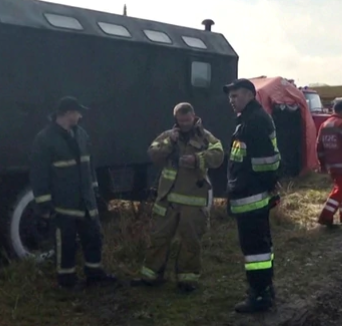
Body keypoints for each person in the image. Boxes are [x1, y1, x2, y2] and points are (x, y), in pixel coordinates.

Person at [131, 102, 224, 292]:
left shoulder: (206, 137)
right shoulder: (168, 136)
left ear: (194, 117)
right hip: (167, 199)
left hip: (193, 200)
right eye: (181, 121)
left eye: (187, 120)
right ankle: (151, 276)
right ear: (176, 120)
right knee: (158, 237)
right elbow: (153, 154)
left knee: (191, 240)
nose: (184, 124)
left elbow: (219, 154)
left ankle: (187, 280)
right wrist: (169, 143)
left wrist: (197, 159)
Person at [29, 96, 118, 289]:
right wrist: (44, 204)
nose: (80, 116)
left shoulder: (82, 134)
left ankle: (94, 273)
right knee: (66, 242)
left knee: (94, 236)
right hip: (64, 203)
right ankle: (66, 280)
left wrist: (95, 190)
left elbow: (89, 164)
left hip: (86, 201)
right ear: (68, 113)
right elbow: (38, 174)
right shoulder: (44, 139)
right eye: (78, 112)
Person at [223, 78, 281, 313]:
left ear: (249, 95)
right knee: (260, 247)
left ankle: (259, 296)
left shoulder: (254, 121)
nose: (231, 100)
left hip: (251, 198)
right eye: (230, 96)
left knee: (255, 250)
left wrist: (264, 188)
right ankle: (265, 289)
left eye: (235, 95)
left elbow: (266, 162)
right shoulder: (249, 119)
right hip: (250, 195)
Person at [316, 100, 342, 227]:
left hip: (330, 165)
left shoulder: (324, 125)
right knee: (340, 190)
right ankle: (326, 216)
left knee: (341, 189)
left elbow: (319, 147)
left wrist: (322, 164)